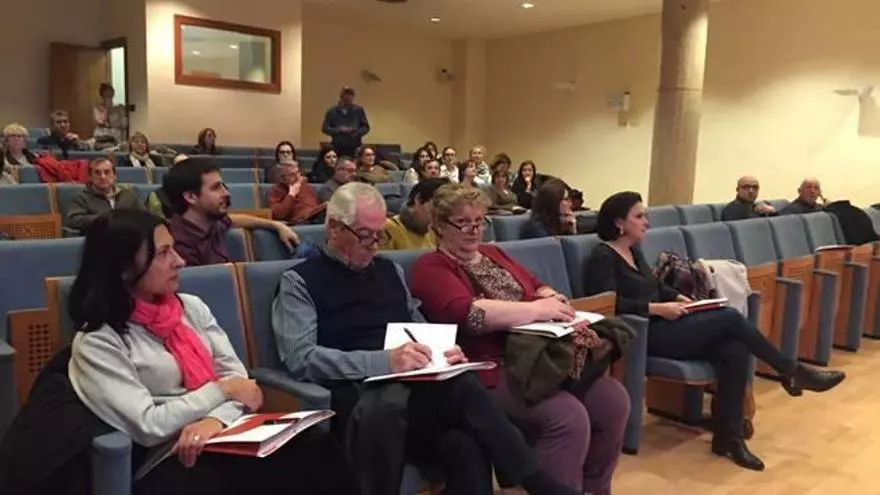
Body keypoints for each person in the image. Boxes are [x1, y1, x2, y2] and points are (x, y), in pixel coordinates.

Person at [271, 181, 579, 495]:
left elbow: (417, 324)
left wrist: (443, 352)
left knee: (465, 443)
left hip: (414, 391)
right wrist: (385, 362)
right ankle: (538, 482)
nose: (375, 245)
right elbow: (301, 358)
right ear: (334, 229)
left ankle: (536, 482)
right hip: (362, 395)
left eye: (380, 235)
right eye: (365, 235)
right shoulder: (300, 281)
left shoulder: (389, 271)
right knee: (462, 391)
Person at [66, 209, 357, 494]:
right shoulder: (98, 341)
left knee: (317, 451)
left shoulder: (190, 307)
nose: (179, 261)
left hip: (223, 428)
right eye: (163, 253)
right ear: (124, 268)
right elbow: (149, 424)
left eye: (174, 249)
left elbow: (239, 380)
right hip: (165, 453)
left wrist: (214, 421)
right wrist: (221, 390)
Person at [583, 191, 846, 471]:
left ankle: (729, 437)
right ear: (619, 222)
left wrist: (678, 297)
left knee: (735, 348)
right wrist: (657, 309)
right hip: (643, 333)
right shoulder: (603, 256)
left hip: (666, 324)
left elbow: (655, 286)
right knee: (730, 317)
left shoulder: (634, 251)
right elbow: (608, 304)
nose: (646, 222)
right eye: (639, 216)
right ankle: (790, 370)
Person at [410, 184, 629, 494]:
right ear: (440, 226)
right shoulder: (430, 267)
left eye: (479, 221)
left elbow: (537, 285)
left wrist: (553, 299)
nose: (474, 230)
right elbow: (470, 315)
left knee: (613, 401)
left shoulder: (492, 253)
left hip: (540, 357)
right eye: (463, 223)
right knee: (568, 417)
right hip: (490, 368)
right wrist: (537, 310)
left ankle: (594, 488)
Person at [162, 157, 299, 266]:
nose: (226, 193)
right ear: (191, 197)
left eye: (223, 186)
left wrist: (276, 225)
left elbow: (232, 219)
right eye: (216, 188)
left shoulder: (210, 221)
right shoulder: (178, 246)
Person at [65, 157, 144, 233]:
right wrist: (103, 218)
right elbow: (73, 220)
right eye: (97, 173)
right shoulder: (81, 197)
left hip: (128, 236)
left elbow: (144, 217)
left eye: (107, 172)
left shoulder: (128, 194)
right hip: (98, 238)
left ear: (114, 176)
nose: (103, 177)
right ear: (90, 177)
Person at [379, 177, 448, 251]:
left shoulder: (435, 232)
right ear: (418, 199)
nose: (440, 215)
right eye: (436, 206)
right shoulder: (387, 229)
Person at [267, 160, 325, 225]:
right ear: (283, 178)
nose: (297, 177)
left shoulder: (305, 186)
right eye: (292, 174)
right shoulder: (275, 191)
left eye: (297, 172)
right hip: (297, 225)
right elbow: (279, 215)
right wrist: (291, 194)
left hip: (315, 220)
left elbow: (314, 205)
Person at [321, 86, 370, 158]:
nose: (348, 98)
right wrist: (339, 130)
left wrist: (356, 133)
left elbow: (366, 127)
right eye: (346, 95)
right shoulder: (332, 111)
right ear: (341, 97)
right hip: (337, 146)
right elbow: (325, 128)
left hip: (355, 146)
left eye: (351, 96)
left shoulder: (358, 110)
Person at [92, 83, 127, 148]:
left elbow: (124, 124)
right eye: (106, 95)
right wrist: (107, 108)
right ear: (102, 96)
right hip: (101, 137)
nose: (109, 97)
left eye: (110, 94)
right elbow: (101, 122)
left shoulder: (120, 108)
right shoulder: (97, 107)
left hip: (116, 138)